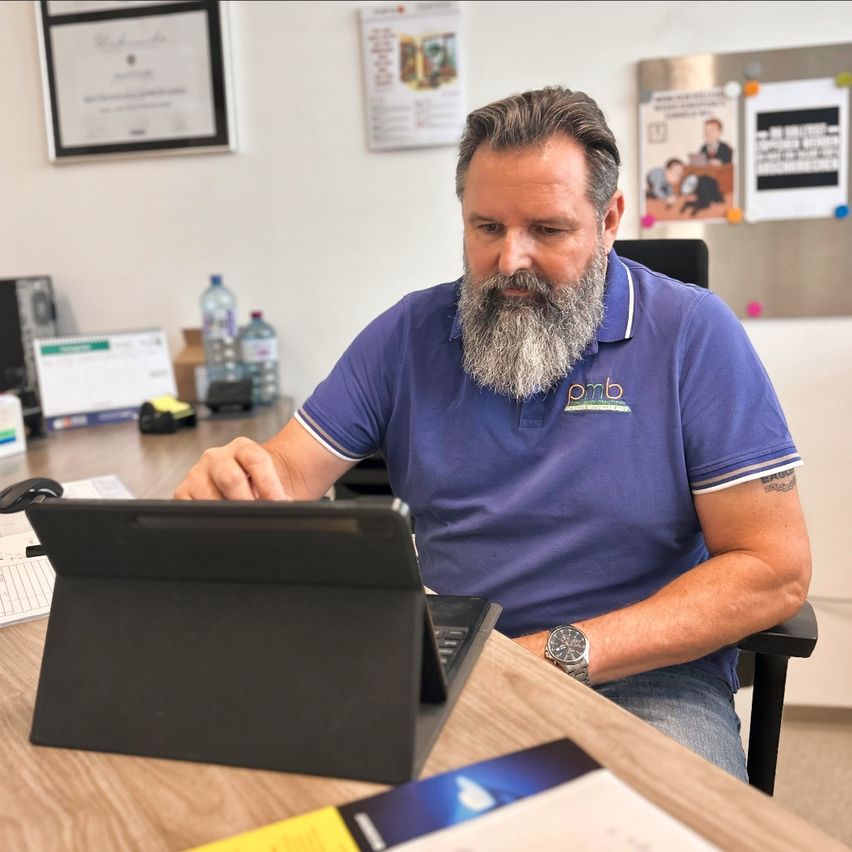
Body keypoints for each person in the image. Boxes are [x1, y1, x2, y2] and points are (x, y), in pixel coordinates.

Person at [175, 86, 811, 782]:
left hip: (644, 679)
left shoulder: (694, 334)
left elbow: (773, 569)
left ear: (609, 220)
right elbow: (284, 477)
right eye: (486, 229)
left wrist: (551, 656)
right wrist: (234, 489)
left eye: (547, 229)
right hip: (442, 663)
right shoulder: (408, 335)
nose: (510, 260)